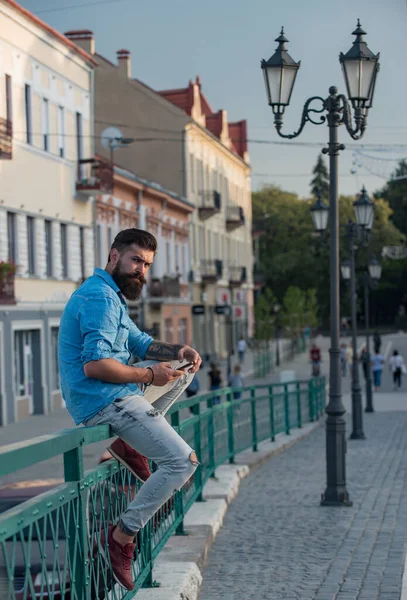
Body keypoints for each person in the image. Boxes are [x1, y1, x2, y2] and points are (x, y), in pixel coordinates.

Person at [58, 228, 201, 591]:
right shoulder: (100, 299)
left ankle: (130, 445)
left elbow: (138, 340)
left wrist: (176, 352)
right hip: (104, 401)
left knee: (181, 375)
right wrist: (149, 374)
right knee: (182, 462)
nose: (142, 271)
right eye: (136, 260)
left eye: (147, 264)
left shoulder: (111, 296)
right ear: (114, 256)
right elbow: (95, 366)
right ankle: (122, 536)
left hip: (118, 395)